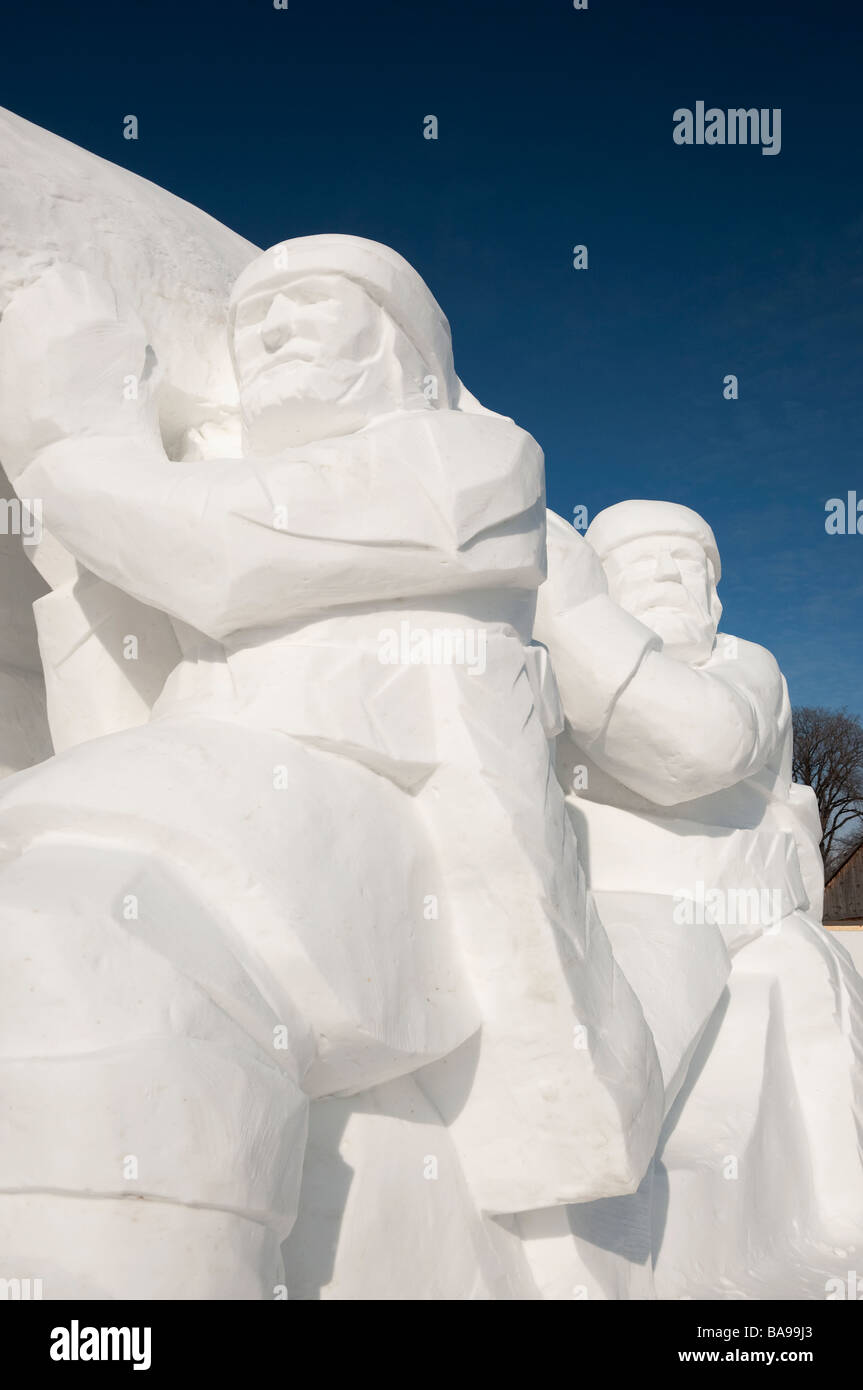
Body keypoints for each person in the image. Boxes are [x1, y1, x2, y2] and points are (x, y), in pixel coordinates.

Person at [0, 239, 661, 1298]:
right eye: (254, 312)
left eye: (312, 301)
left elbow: (225, 557)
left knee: (88, 949)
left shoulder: (470, 465)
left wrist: (71, 447)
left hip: (397, 827)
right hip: (218, 799)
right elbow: (121, 712)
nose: (268, 327)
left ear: (410, 354)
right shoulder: (210, 492)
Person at [530, 502, 863, 1297]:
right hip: (606, 906)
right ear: (607, 582)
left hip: (719, 918)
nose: (676, 576)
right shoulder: (556, 667)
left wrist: (564, 605)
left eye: (692, 563)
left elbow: (691, 745)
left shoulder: (746, 667)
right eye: (648, 562)